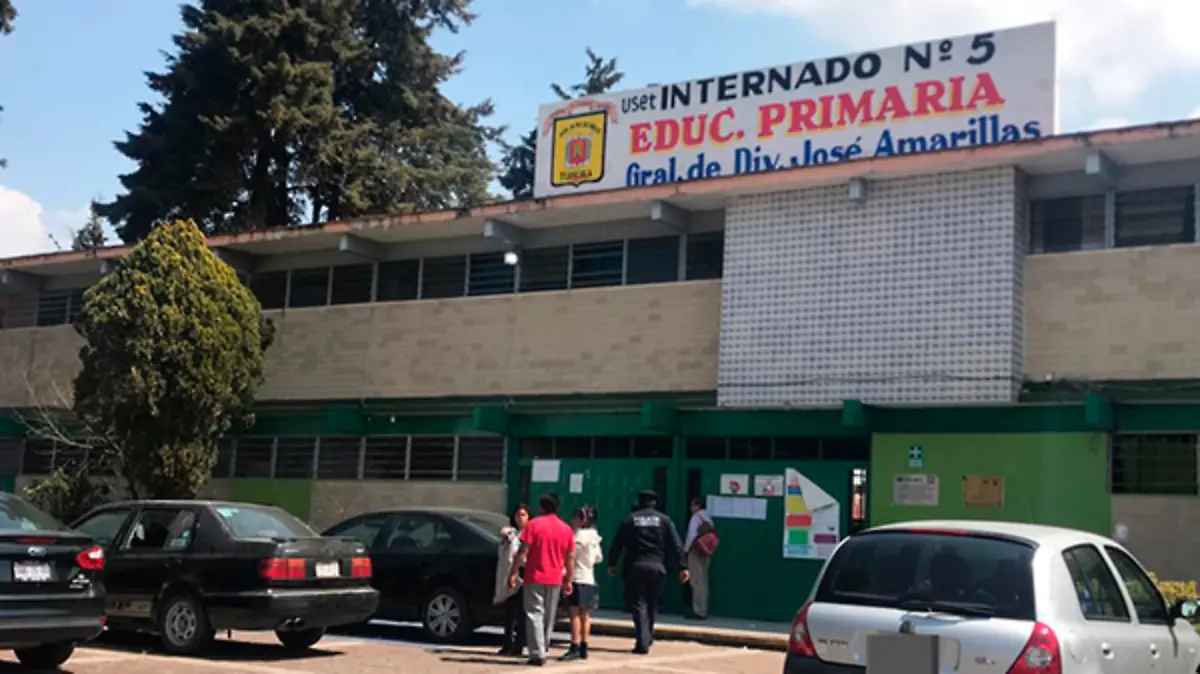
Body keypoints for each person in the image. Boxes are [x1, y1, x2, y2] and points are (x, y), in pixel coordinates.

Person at [607, 490, 688, 655]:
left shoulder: (630, 520)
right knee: (652, 603)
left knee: (638, 604)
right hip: (658, 567)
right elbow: (676, 545)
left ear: (639, 502)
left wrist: (612, 563)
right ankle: (647, 637)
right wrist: (683, 566)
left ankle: (643, 641)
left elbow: (617, 543)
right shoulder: (664, 520)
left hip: (636, 567)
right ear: (655, 503)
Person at [508, 492, 575, 667]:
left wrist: (513, 572)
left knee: (534, 613)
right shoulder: (566, 529)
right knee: (548, 616)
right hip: (555, 578)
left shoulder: (534, 525)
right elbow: (570, 557)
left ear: (541, 507)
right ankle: (543, 648)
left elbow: (523, 551)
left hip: (534, 575)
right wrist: (569, 579)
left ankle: (537, 652)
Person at [561, 505, 602, 661]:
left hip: (576, 577)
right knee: (586, 614)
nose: (572, 520)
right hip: (589, 577)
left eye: (575, 517)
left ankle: (575, 645)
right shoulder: (595, 537)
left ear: (582, 520)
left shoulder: (577, 537)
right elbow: (598, 558)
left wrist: (566, 577)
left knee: (574, 614)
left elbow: (570, 557)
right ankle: (584, 645)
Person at [494, 503, 530, 657]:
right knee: (510, 611)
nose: (520, 518)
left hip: (523, 574)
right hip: (509, 574)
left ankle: (519, 644)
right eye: (517, 515)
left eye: (523, 515)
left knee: (521, 612)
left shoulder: (529, 534)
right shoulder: (511, 534)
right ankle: (507, 643)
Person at [683, 496, 715, 620]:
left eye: (692, 505)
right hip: (706, 552)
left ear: (697, 506)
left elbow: (691, 535)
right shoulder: (708, 518)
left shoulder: (696, 518)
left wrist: (686, 550)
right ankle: (703, 608)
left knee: (696, 582)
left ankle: (698, 610)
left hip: (696, 552)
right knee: (703, 581)